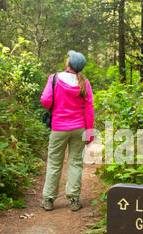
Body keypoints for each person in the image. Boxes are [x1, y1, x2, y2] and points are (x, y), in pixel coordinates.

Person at [40, 50, 94, 212]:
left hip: (58, 128)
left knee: (55, 163)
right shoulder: (84, 82)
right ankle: (74, 200)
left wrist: (55, 109)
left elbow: (45, 100)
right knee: (75, 163)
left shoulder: (54, 78)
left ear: (69, 63)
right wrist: (89, 133)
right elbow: (89, 109)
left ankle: (49, 199)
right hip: (79, 128)